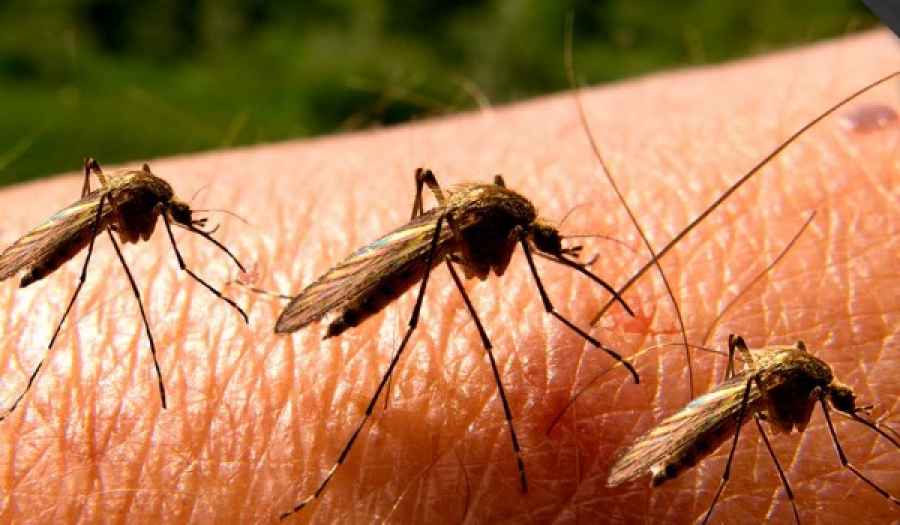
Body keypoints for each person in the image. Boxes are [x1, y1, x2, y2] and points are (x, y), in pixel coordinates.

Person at [0, 29, 896, 524]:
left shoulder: (504, 220)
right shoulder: (491, 228)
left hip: (442, 229)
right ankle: (347, 457)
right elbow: (516, 279)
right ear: (519, 231)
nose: (540, 255)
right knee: (424, 327)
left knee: (444, 295)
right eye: (539, 244)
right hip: (418, 251)